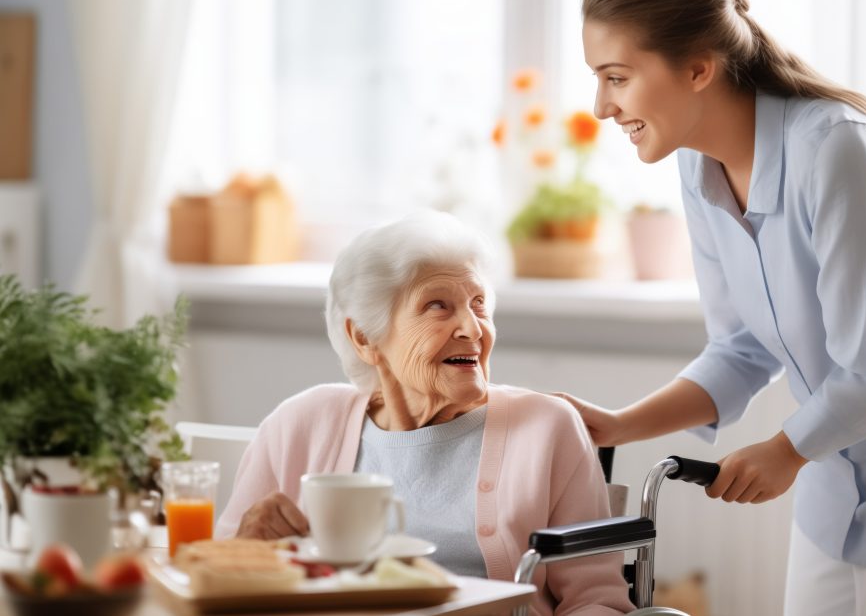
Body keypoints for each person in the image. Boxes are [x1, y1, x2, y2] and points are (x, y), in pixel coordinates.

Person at [559, 0, 866, 616]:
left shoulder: (837, 149)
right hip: (837, 485)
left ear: (697, 68)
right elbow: (742, 349)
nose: (602, 106)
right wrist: (617, 425)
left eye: (616, 76)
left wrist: (784, 450)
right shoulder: (700, 167)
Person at [216, 210, 634, 615]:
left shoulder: (546, 428)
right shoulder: (300, 424)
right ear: (365, 337)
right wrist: (244, 549)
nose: (472, 329)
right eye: (438, 306)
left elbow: (596, 601)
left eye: (478, 303)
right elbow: (215, 580)